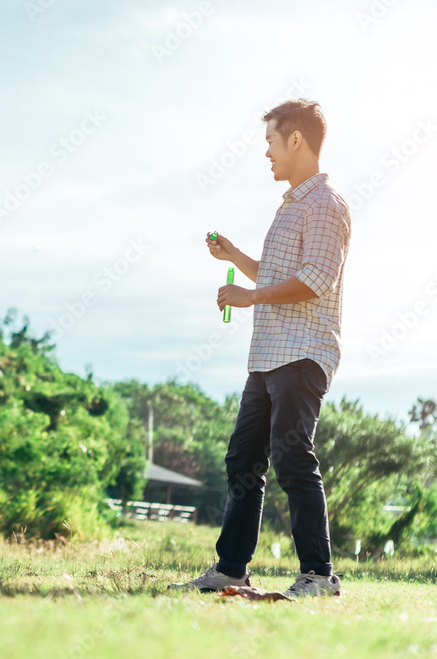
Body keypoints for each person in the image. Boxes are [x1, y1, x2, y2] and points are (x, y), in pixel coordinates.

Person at [170, 99, 350, 597]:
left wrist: (251, 296)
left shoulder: (325, 205)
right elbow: (277, 277)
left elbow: (315, 279)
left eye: (270, 141)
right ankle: (231, 570)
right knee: (243, 460)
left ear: (296, 140)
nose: (266, 152)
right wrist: (236, 259)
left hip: (304, 351)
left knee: (293, 460)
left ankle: (318, 574)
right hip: (268, 355)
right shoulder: (292, 205)